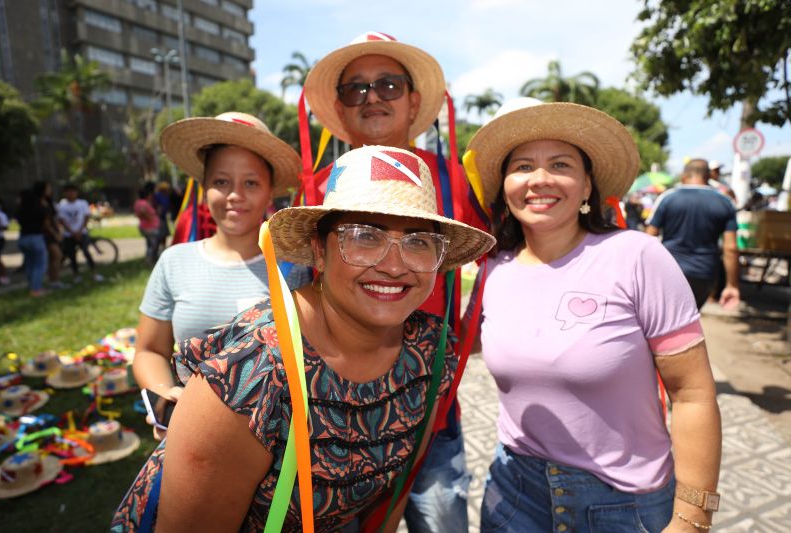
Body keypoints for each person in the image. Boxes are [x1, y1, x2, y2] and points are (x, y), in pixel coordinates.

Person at [112, 145, 495, 532]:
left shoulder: (429, 352)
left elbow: (393, 494)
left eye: (416, 241)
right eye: (364, 236)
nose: (394, 266)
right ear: (319, 250)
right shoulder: (248, 376)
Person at [467, 98, 722, 532]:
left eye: (561, 165)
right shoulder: (492, 268)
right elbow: (455, 345)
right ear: (505, 186)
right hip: (514, 494)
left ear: (587, 186)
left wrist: (692, 519)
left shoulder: (637, 257)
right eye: (523, 166)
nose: (540, 179)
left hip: (623, 506)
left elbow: (693, 394)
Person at [301, 31, 486, 531]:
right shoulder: (317, 188)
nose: (373, 97)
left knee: (441, 515)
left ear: (414, 102)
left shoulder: (450, 180)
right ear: (339, 110)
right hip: (337, 417)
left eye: (388, 84)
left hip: (432, 410)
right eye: (355, 89)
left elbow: (499, 258)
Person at [130, 111, 303, 438]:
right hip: (190, 436)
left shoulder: (296, 269)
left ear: (270, 192)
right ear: (204, 188)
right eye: (221, 182)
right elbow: (149, 350)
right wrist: (165, 394)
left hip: (275, 444)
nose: (235, 194)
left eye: (250, 182)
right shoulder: (174, 262)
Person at [646, 159, 740, 310]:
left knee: (661, 319)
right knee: (689, 323)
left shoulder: (667, 198)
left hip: (668, 271)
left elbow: (649, 239)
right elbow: (731, 248)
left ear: (684, 176)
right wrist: (732, 285)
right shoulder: (725, 202)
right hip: (704, 274)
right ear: (708, 176)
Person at [57, 183, 104, 283]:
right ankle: (76, 275)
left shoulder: (82, 203)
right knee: (72, 256)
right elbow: (62, 220)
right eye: (68, 192)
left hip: (82, 233)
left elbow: (86, 217)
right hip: (69, 235)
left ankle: (95, 273)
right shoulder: (62, 205)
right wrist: (72, 232)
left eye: (73, 191)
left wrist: (79, 231)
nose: (71, 194)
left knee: (86, 252)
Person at [16, 186, 51, 296]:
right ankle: (36, 289)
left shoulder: (19, 210)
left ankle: (32, 286)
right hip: (36, 238)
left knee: (30, 264)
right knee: (39, 265)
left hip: (22, 238)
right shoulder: (40, 209)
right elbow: (46, 224)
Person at [134, 185, 161, 264]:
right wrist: (150, 218)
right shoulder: (143, 203)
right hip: (149, 227)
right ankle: (150, 260)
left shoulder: (138, 202)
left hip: (145, 226)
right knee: (153, 245)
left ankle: (150, 259)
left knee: (150, 244)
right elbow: (142, 211)